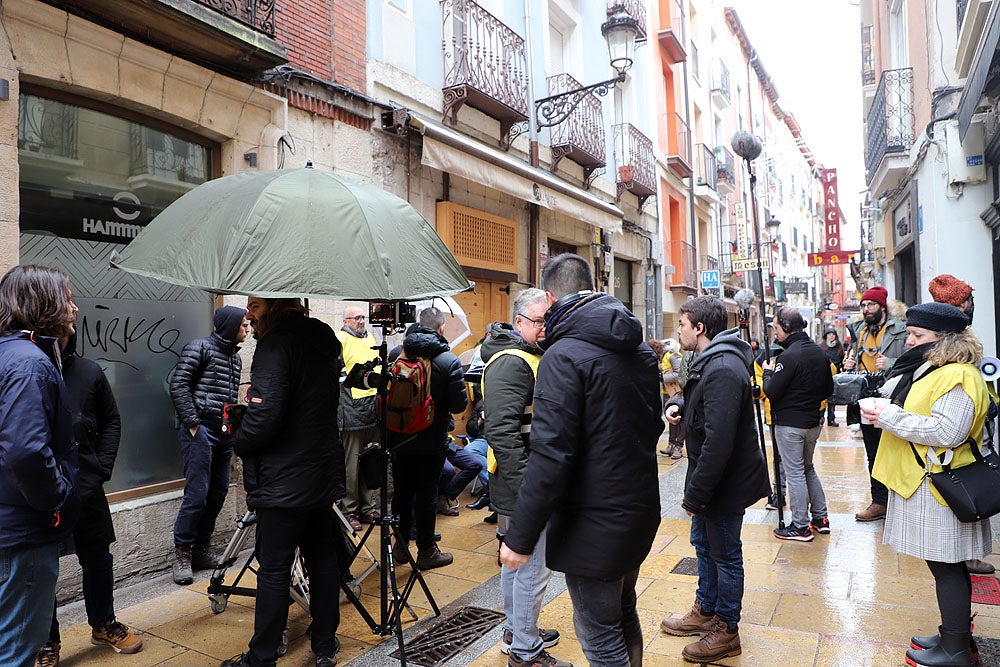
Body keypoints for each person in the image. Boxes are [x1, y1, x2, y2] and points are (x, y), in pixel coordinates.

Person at [500, 255, 662, 667]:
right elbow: (652, 427)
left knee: (600, 633)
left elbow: (551, 453)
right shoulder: (638, 348)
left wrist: (519, 538)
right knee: (623, 611)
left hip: (595, 523)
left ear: (550, 297)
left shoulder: (564, 355)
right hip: (638, 509)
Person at [862, 302, 988, 667]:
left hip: (941, 485)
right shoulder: (937, 368)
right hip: (928, 480)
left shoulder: (960, 376)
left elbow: (948, 431)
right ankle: (953, 636)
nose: (910, 341)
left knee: (947, 566)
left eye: (918, 335)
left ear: (943, 339)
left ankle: (956, 650)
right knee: (943, 565)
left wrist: (890, 416)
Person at [222, 298, 344, 667]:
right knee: (323, 559)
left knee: (273, 569)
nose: (249, 315)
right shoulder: (323, 336)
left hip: (284, 478)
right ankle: (325, 643)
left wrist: (239, 441)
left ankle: (261, 658)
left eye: (255, 306)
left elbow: (265, 417)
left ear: (274, 306)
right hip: (319, 473)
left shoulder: (275, 345)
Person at [659, 296, 770, 663]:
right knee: (705, 548)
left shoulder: (722, 367)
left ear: (700, 329)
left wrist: (695, 496)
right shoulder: (708, 361)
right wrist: (676, 406)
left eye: (682, 324)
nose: (678, 331)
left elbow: (719, 441)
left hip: (722, 482)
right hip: (709, 480)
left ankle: (726, 629)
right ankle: (705, 610)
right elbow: (696, 401)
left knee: (725, 555)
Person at [35, 334, 142, 666]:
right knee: (41, 568)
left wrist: (101, 469)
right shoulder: (29, 368)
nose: (72, 314)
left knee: (97, 557)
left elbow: (111, 421)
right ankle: (46, 640)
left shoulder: (89, 371)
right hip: (39, 491)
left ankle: (103, 623)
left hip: (86, 486)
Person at [0, 264, 79, 667]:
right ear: (42, 304)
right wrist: (57, 497)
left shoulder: (10, 355)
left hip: (11, 526)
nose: (74, 308)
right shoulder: (29, 363)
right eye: (66, 298)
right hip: (24, 532)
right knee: (16, 651)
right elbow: (25, 451)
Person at [481, 288, 565, 667]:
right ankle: (526, 649)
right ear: (518, 322)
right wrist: (530, 487)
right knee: (531, 565)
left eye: (548, 318)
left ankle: (517, 630)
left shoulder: (528, 356)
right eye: (537, 320)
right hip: (522, 484)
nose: (544, 327)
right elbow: (502, 432)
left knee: (517, 562)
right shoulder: (512, 362)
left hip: (521, 481)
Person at [168, 305, 247, 585]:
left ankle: (202, 548)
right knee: (197, 493)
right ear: (230, 325)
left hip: (224, 433)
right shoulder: (199, 347)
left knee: (218, 492)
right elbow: (178, 384)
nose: (247, 329)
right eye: (243, 325)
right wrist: (192, 422)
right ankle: (182, 553)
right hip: (199, 430)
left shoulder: (235, 359)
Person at [390, 307, 467, 571]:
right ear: (441, 328)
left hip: (398, 437)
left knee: (401, 491)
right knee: (426, 494)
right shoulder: (448, 360)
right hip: (430, 440)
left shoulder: (395, 355)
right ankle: (426, 551)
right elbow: (458, 406)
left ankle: (399, 546)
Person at [927, 274, 993, 576]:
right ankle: (964, 557)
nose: (971, 304)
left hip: (959, 434)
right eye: (967, 300)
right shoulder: (952, 345)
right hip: (954, 437)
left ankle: (965, 555)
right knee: (963, 486)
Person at [762, 307, 834, 542]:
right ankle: (820, 518)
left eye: (775, 327)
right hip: (813, 422)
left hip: (790, 425)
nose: (774, 332)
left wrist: (767, 374)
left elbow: (771, 392)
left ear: (786, 327)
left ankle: (800, 525)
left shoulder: (789, 356)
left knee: (795, 473)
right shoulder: (819, 353)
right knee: (807, 468)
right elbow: (828, 390)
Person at [842, 285, 907, 522]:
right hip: (866, 397)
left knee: (897, 451)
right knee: (873, 452)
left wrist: (889, 362)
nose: (866, 309)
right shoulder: (859, 331)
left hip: (893, 396)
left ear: (882, 306)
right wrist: (848, 364)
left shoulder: (901, 329)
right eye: (863, 305)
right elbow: (854, 356)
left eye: (870, 305)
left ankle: (900, 502)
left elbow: (914, 359)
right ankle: (879, 502)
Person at [336, 305, 381, 533]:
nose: (362, 321)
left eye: (364, 316)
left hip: (373, 411)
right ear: (346, 320)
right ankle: (350, 511)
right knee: (351, 467)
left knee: (371, 461)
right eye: (357, 317)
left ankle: (368, 507)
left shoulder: (371, 337)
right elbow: (337, 378)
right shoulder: (340, 339)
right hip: (351, 413)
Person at [659, 338, 686, 459]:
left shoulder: (673, 356)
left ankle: (678, 447)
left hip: (678, 392)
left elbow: (678, 373)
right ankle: (671, 444)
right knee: (672, 418)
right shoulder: (666, 356)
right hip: (671, 392)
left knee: (680, 419)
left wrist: (661, 378)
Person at [822, 329, 845, 426]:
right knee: (822, 398)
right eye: (829, 334)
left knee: (832, 398)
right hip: (823, 375)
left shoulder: (839, 348)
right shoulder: (821, 347)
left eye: (833, 334)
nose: (831, 336)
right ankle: (820, 417)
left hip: (836, 376)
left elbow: (842, 360)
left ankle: (831, 418)